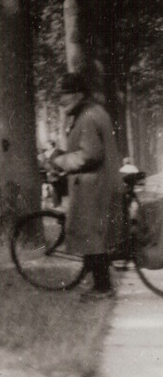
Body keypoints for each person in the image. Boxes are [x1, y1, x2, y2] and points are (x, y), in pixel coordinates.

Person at [48, 72, 124, 300]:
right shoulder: (94, 112)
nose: (61, 101)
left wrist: (60, 161)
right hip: (98, 185)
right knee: (94, 237)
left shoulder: (88, 117)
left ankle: (102, 288)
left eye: (65, 95)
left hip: (94, 188)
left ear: (79, 95)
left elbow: (90, 154)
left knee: (93, 238)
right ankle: (97, 283)